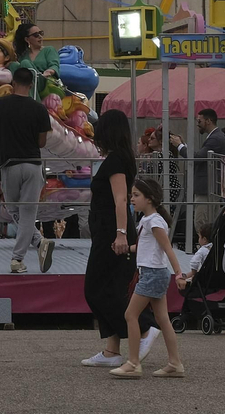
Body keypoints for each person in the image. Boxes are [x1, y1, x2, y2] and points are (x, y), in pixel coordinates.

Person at [82, 108, 159, 368]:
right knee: (112, 285)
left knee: (95, 288)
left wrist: (121, 233)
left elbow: (120, 199)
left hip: (111, 232)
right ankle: (111, 349)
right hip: (108, 230)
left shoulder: (115, 161)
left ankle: (145, 329)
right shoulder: (121, 157)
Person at [110, 178, 186, 379]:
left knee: (130, 315)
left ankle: (133, 363)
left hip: (152, 274)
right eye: (131, 195)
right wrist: (127, 249)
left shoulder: (154, 221)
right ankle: (175, 363)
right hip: (154, 273)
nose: (131, 199)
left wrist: (180, 274)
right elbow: (147, 246)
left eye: (136, 195)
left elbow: (167, 249)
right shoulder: (148, 220)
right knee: (163, 319)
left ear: (149, 199)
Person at [0, 67, 54, 274]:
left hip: (9, 164)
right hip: (32, 164)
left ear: (12, 83)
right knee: (28, 212)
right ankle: (32, 247)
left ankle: (23, 253)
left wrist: (4, 130)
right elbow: (42, 142)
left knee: (13, 209)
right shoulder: (40, 109)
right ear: (31, 84)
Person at [11, 22, 60, 87]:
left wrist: (50, 71)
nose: (40, 36)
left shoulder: (49, 50)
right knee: (13, 65)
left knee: (25, 63)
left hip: (44, 82)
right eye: (36, 35)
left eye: (41, 33)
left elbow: (54, 65)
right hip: (26, 83)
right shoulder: (23, 56)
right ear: (27, 39)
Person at [175, 221, 214, 289]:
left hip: (206, 279)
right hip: (214, 276)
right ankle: (185, 276)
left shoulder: (203, 250)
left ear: (204, 240)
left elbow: (194, 263)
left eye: (199, 237)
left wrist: (194, 274)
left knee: (196, 271)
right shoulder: (216, 249)